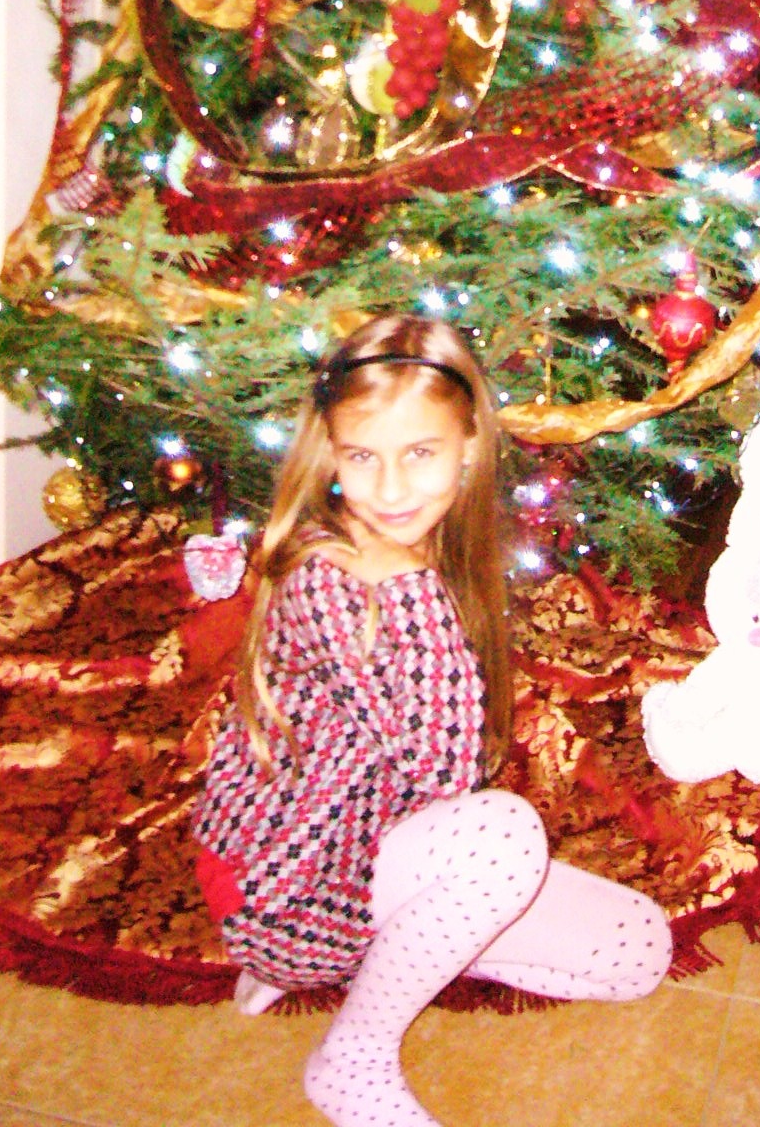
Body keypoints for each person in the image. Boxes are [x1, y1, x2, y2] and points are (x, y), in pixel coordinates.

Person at [193, 312, 672, 1127]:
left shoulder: (417, 553)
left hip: (374, 841)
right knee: (505, 835)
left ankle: (410, 946)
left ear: (470, 447)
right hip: (286, 880)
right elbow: (447, 774)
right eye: (361, 457)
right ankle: (352, 1057)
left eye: (419, 453)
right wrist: (412, 587)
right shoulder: (339, 578)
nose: (389, 490)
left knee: (640, 951)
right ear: (330, 455)